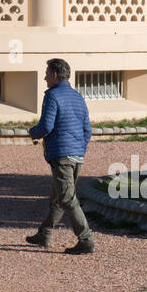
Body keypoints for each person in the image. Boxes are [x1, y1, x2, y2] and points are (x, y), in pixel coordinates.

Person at [26, 58, 95, 254]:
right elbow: (87, 130)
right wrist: (79, 148)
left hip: (62, 155)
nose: (45, 76)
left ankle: (86, 240)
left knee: (67, 199)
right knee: (58, 197)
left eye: (47, 73)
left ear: (55, 75)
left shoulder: (52, 96)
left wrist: (33, 133)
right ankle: (44, 233)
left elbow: (47, 125)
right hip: (77, 155)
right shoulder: (77, 97)